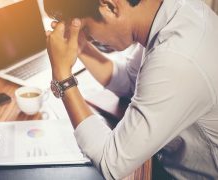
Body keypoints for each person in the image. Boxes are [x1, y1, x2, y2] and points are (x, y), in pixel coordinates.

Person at [44, 0, 218, 179]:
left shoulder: (176, 57)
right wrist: (80, 47)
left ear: (110, 6)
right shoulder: (172, 11)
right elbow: (129, 80)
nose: (89, 38)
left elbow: (112, 163)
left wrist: (62, 75)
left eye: (86, 30)